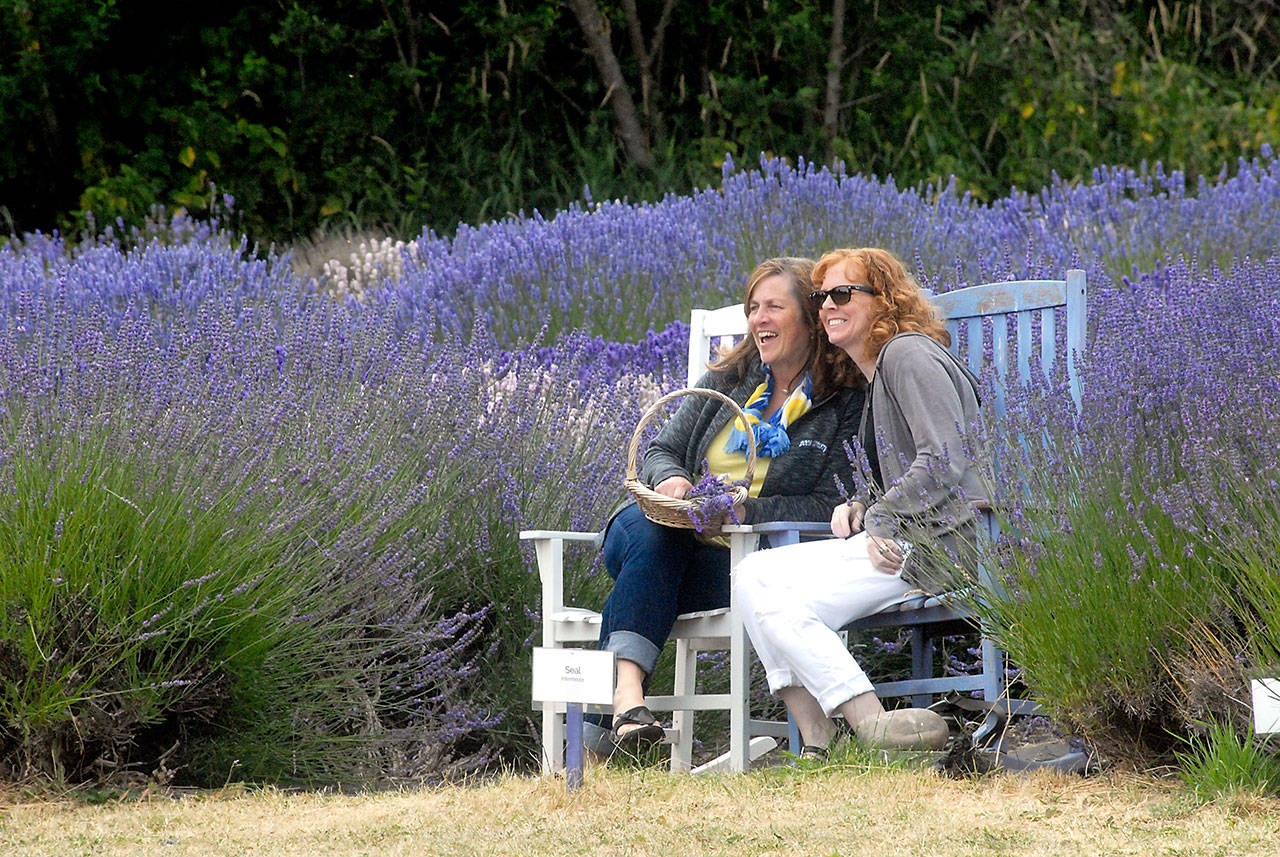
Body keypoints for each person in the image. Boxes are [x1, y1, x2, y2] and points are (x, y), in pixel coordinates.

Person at [588, 256, 864, 753]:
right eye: (753, 307)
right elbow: (661, 450)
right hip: (655, 532)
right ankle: (626, 699)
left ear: (810, 317)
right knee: (657, 535)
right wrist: (672, 480)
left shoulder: (842, 401)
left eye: (774, 307)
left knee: (659, 566)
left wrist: (743, 512)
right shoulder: (729, 382)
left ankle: (610, 716)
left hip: (742, 566)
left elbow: (830, 502)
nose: (758, 319)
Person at [733, 247, 987, 757]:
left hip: (948, 543)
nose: (828, 305)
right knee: (751, 575)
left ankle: (867, 729)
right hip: (911, 538)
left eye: (843, 293)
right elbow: (904, 466)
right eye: (821, 296)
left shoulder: (908, 354)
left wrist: (881, 518)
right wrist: (860, 504)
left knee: (776, 597)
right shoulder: (878, 373)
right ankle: (821, 740)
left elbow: (944, 458)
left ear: (885, 301)